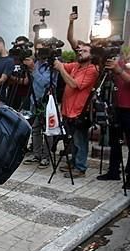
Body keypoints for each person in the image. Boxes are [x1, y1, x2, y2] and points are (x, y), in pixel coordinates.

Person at [96, 33, 130, 189]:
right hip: (118, 107)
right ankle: (114, 171)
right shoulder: (122, 61)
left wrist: (118, 70)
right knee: (115, 141)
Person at [53, 43, 99, 178]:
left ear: (91, 55)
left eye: (85, 51)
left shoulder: (92, 70)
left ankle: (80, 167)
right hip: (68, 110)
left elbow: (74, 84)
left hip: (80, 112)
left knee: (80, 140)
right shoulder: (76, 66)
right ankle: (73, 162)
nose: (81, 53)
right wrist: (54, 60)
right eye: (80, 50)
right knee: (72, 140)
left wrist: (61, 68)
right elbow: (61, 65)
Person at [22, 41, 58, 169]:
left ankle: (46, 157)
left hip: (47, 101)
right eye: (37, 50)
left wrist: (33, 69)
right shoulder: (36, 63)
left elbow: (45, 83)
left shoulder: (51, 66)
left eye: (42, 50)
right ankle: (36, 154)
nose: (39, 53)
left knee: (47, 131)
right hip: (34, 100)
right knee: (36, 128)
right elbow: (28, 82)